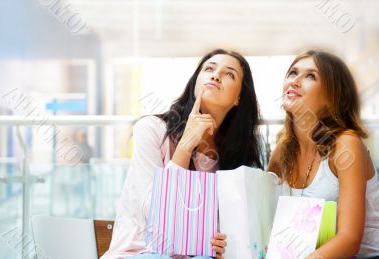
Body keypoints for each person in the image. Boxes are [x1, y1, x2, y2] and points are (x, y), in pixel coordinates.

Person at [101, 49, 264, 259]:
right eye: (209, 69)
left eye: (229, 74)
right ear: (195, 81)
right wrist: (186, 145)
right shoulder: (152, 129)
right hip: (138, 253)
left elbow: (229, 232)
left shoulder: (233, 157)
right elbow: (153, 213)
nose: (215, 75)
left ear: (239, 98)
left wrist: (223, 242)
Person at [267, 50, 379, 258]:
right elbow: (264, 217)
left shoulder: (346, 145)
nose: (295, 81)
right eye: (293, 73)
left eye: (311, 76)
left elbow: (349, 239)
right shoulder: (282, 152)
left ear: (332, 96)